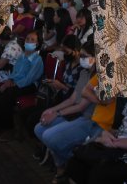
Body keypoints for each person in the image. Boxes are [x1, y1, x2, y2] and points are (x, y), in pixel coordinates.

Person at [34, 41, 97, 176]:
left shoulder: (98, 78)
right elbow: (73, 99)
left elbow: (81, 106)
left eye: (85, 56)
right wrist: (52, 110)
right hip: (75, 113)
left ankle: (64, 166)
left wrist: (56, 113)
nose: (82, 59)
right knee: (39, 128)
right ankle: (62, 162)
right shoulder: (84, 73)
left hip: (88, 117)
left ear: (96, 58)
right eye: (81, 55)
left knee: (49, 136)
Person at [0, 30, 44, 137]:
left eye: (32, 40)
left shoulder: (37, 59)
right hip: (15, 82)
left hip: (29, 85)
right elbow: (15, 72)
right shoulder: (22, 56)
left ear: (37, 44)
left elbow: (30, 78)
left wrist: (13, 83)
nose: (28, 41)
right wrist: (10, 80)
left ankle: (9, 129)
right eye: (27, 39)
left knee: (6, 97)